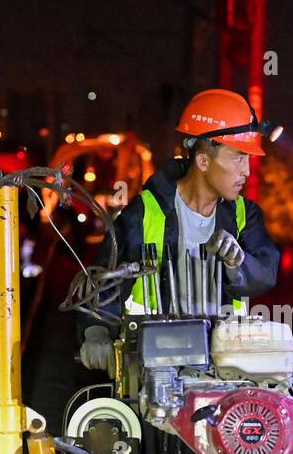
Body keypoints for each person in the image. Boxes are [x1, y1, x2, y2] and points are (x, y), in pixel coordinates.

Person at [75, 88, 280, 370]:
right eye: (238, 157)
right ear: (203, 161)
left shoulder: (245, 215)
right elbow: (105, 278)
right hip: (152, 364)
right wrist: (95, 331)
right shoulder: (146, 211)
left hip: (224, 364)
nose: (247, 170)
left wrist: (238, 263)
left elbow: (266, 275)